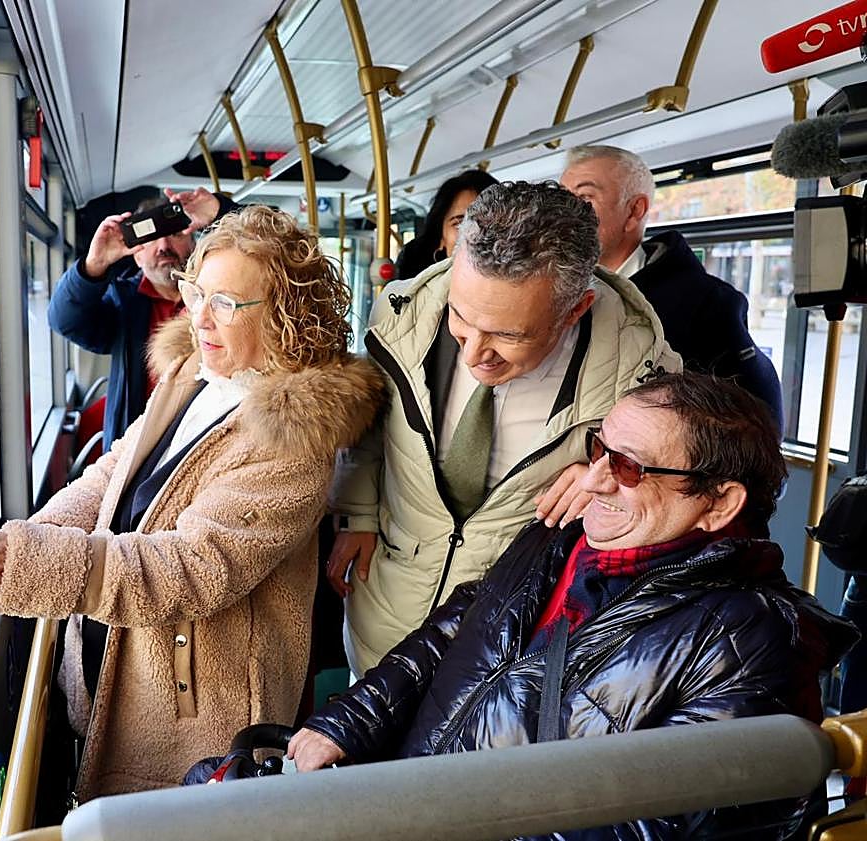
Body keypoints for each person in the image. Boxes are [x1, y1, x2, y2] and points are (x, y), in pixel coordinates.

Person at [0, 206, 386, 801]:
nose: (200, 317)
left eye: (227, 304)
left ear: (287, 317)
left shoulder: (295, 439)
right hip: (125, 657)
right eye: (196, 292)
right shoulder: (194, 372)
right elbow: (114, 469)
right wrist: (30, 537)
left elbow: (188, 568)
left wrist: (22, 564)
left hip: (198, 709)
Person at [291, 372, 857, 839]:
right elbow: (459, 625)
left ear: (718, 501)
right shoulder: (563, 537)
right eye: (599, 449)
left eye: (630, 467)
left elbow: (656, 828)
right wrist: (351, 723)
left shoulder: (747, 642)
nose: (595, 480)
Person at [328, 180, 681, 676]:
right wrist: (357, 513)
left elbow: (672, 504)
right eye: (461, 317)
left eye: (508, 335)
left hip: (503, 650)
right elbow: (374, 422)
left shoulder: (641, 373)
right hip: (382, 618)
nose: (474, 354)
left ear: (575, 308)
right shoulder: (399, 315)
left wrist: (609, 481)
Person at [560, 144, 784, 431]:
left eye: (584, 197)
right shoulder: (555, 290)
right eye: (562, 198)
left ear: (634, 211)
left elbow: (757, 424)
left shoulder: (707, 304)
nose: (566, 213)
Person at [49, 186, 237, 451]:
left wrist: (221, 211)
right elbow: (63, 320)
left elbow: (274, 253)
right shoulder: (121, 304)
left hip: (210, 439)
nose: (163, 246)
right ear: (136, 255)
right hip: (136, 448)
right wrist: (93, 265)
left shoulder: (221, 297)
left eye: (173, 234)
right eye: (151, 239)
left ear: (193, 245)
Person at [394, 170, 499, 279]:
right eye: (459, 223)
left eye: (485, 221)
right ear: (441, 238)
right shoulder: (418, 294)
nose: (473, 232)